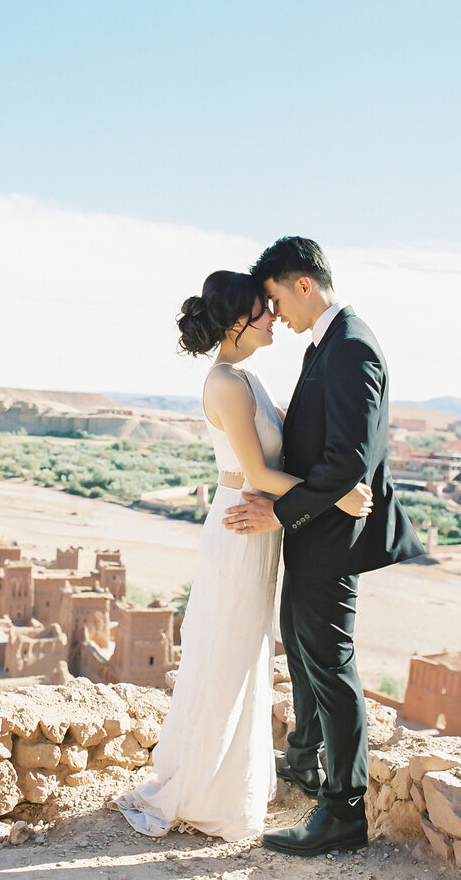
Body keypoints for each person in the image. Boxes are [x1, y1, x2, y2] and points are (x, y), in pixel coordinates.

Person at [109, 270, 373, 842]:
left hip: (256, 528)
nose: (275, 315)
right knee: (226, 655)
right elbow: (255, 474)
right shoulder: (226, 383)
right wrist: (338, 493)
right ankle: (208, 793)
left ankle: (225, 781)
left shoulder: (245, 377)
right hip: (239, 527)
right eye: (264, 308)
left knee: (242, 654)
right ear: (237, 322)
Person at [223, 237, 425, 856]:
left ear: (303, 285)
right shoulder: (329, 345)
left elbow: (348, 462)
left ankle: (343, 811)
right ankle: (306, 761)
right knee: (305, 648)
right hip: (317, 533)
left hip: (333, 540)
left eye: (278, 297)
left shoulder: (351, 347)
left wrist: (277, 513)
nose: (276, 312)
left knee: (332, 668)